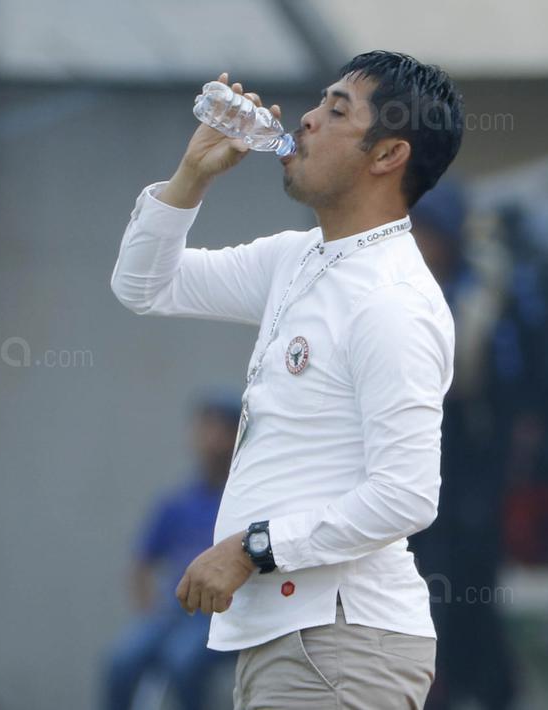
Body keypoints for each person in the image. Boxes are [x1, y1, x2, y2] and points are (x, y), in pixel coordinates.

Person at [110, 51, 463, 708]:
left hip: (340, 641)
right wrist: (191, 175)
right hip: (296, 638)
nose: (303, 120)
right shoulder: (297, 258)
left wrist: (251, 548)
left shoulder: (391, 300)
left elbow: (406, 496)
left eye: (334, 111)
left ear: (386, 155)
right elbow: (142, 286)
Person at [407, 181, 517, 710]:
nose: (421, 243)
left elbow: (502, 400)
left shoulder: (481, 303)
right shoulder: (397, 291)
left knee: (467, 610)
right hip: (410, 480)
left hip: (467, 482)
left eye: (429, 232)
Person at [103, 396, 239, 710]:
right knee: (121, 661)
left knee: (181, 661)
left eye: (220, 428)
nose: (209, 438)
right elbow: (141, 562)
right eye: (204, 427)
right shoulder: (175, 503)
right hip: (173, 614)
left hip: (218, 617)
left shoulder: (239, 501)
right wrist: (148, 614)